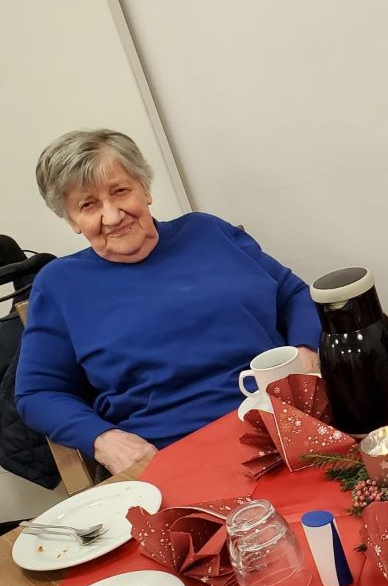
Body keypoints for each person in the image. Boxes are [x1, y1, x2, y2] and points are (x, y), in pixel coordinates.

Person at [15, 129, 320, 475]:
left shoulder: (208, 232)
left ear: (144, 189)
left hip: (286, 422)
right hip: (173, 458)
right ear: (72, 221)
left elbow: (293, 294)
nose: (113, 216)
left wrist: (305, 351)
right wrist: (103, 439)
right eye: (89, 205)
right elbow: (37, 393)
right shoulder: (59, 285)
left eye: (120, 191)